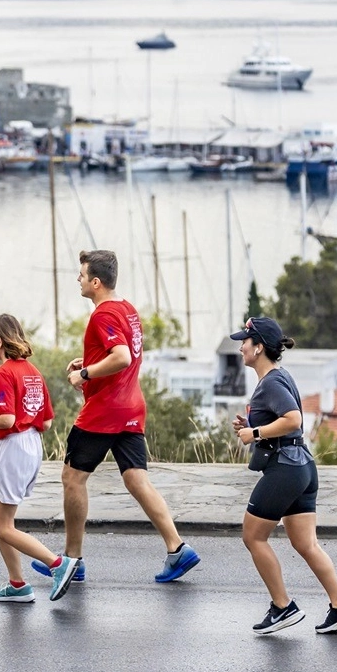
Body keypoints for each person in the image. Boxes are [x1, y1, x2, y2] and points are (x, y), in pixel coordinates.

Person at [33, 249, 200, 598]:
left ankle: (72, 562)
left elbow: (122, 356)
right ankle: (177, 548)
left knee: (72, 478)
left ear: (95, 282)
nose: (78, 280)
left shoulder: (102, 315)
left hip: (104, 412)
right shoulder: (128, 310)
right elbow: (125, 351)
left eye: (81, 276)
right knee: (137, 478)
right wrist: (92, 359)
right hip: (131, 407)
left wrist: (85, 373)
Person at [230, 317, 337, 635]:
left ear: (258, 347)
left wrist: (255, 432)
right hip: (302, 466)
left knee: (253, 536)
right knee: (306, 543)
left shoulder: (272, 382)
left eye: (245, 341)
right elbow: (286, 422)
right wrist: (251, 429)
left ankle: (282, 607)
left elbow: (293, 419)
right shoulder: (279, 376)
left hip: (285, 469)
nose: (241, 346)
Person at [0, 314, 70, 604]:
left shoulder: (4, 372)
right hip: (32, 443)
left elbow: (6, 418)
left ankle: (57, 564)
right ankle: (17, 583)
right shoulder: (33, 371)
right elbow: (46, 422)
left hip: (11, 446)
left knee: (2, 525)